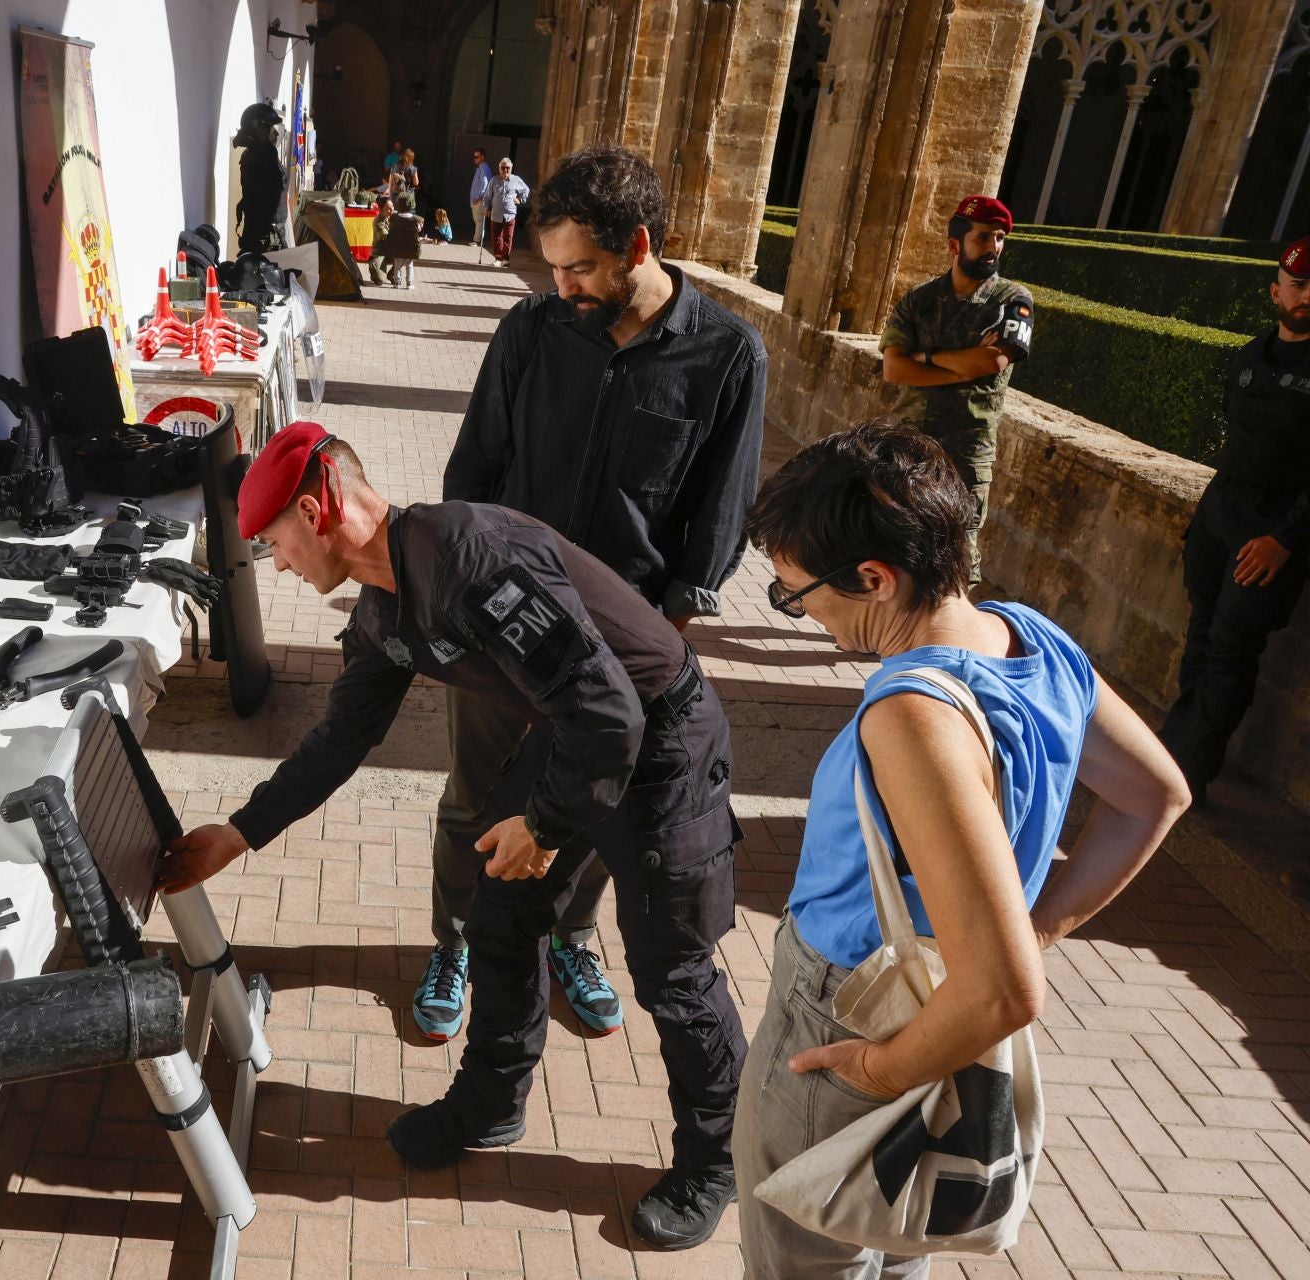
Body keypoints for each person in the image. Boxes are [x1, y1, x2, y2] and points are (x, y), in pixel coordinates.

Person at [162, 423, 747, 1251]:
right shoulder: (383, 610)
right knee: (499, 910)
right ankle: (491, 1101)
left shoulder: (474, 558)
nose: (279, 564)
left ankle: (718, 1159)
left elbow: (614, 712)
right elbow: (341, 738)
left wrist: (543, 826)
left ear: (314, 505)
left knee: (672, 973)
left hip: (662, 738)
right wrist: (240, 831)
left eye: (274, 542)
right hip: (576, 730)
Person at [734, 422, 1189, 1278]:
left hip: (851, 1011)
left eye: (796, 595)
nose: (804, 614)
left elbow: (1009, 990)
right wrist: (1031, 928)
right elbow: (1154, 796)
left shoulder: (912, 709)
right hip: (943, 1002)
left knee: (808, 1254)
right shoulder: (1031, 637)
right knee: (899, 1235)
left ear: (874, 578)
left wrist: (874, 1069)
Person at [427, 143, 766, 1048]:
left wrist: (654, 649)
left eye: (580, 267)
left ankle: (570, 937)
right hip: (505, 629)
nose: (563, 286)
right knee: (476, 794)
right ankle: (455, 938)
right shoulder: (532, 333)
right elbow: (474, 472)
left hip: (621, 648)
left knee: (594, 804)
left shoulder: (727, 355)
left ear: (639, 246)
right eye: (553, 268)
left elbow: (716, 525)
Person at [1160, 236, 1310, 805]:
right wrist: (1206, 521)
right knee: (1200, 636)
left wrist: (1285, 540)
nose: (1306, 295)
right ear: (1276, 290)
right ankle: (1173, 753)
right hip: (1221, 517)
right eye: (1296, 285)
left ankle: (1187, 776)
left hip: (1272, 529)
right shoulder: (1251, 356)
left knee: (1229, 651)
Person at [878, 195, 1035, 584]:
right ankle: (886, 634)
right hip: (910, 442)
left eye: (999, 238)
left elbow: (993, 362)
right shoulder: (919, 300)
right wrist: (957, 364)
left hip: (968, 448)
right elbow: (895, 368)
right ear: (955, 245)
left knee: (959, 550)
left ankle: (953, 638)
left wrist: (925, 358)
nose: (993, 247)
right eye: (983, 237)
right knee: (897, 538)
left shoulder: (1011, 301)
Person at [233, 102, 287, 255]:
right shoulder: (261, 157)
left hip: (270, 237)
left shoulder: (260, 155)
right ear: (260, 131)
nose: (276, 134)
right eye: (271, 129)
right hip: (266, 241)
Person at [484, 157, 531, 265]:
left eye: (508, 168)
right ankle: (498, 258)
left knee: (508, 237)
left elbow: (526, 190)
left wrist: (520, 199)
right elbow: (486, 197)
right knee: (496, 238)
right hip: (496, 214)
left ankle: (505, 259)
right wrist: (486, 208)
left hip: (510, 215)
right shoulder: (494, 180)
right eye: (503, 168)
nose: (505, 170)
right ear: (499, 168)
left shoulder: (516, 180)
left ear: (511, 168)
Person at [367, 194, 396, 287]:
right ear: (381, 210)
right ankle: (373, 267)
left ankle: (392, 274)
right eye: (388, 208)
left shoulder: (394, 214)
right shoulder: (378, 221)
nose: (391, 210)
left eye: (392, 207)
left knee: (407, 253)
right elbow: (386, 237)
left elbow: (409, 216)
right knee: (379, 281)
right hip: (380, 252)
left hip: (391, 250)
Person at [468, 148, 493, 249]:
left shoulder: (484, 168)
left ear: (482, 157)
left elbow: (484, 184)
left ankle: (477, 241)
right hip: (477, 199)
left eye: (477, 157)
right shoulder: (481, 168)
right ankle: (478, 240)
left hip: (479, 200)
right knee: (478, 220)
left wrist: (478, 197)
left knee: (479, 220)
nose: (475, 159)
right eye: (474, 157)